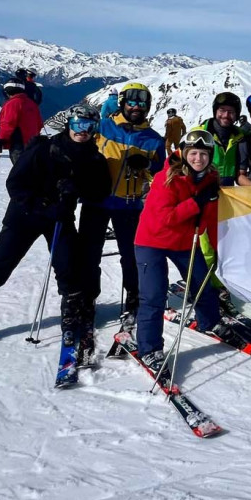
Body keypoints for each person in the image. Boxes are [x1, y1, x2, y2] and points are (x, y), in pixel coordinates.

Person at [0, 105, 110, 361]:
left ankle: (71, 316)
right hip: (25, 216)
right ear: (68, 124)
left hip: (59, 220)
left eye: (87, 126)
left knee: (69, 267)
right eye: (77, 124)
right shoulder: (44, 148)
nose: (81, 131)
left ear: (94, 129)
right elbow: (15, 184)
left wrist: (76, 190)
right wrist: (43, 204)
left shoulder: (94, 159)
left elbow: (100, 191)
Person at [134, 129, 246, 373]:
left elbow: (212, 217)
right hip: (151, 241)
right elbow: (166, 218)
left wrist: (219, 248)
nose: (198, 159)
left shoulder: (209, 179)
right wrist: (196, 202)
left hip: (184, 242)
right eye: (193, 153)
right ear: (184, 154)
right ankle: (150, 348)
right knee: (153, 295)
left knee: (202, 282)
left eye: (204, 154)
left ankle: (210, 321)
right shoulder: (168, 178)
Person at [80, 82, 166, 338]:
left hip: (129, 203)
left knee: (131, 256)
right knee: (89, 254)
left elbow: (161, 176)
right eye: (132, 101)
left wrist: (147, 164)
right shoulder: (103, 126)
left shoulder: (153, 139)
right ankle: (87, 300)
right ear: (123, 102)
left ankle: (133, 298)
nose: (136, 107)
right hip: (96, 200)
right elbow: (80, 149)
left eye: (142, 102)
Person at [194, 92, 246, 187]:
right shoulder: (198, 134)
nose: (226, 115)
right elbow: (175, 162)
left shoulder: (240, 136)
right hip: (202, 192)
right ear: (215, 111)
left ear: (236, 115)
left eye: (231, 112)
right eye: (222, 110)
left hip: (228, 193)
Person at [0, 78, 43, 165]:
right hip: (33, 143)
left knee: (20, 170)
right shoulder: (31, 103)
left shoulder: (12, 103)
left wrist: (0, 140)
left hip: (18, 143)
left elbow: (8, 124)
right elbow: (39, 124)